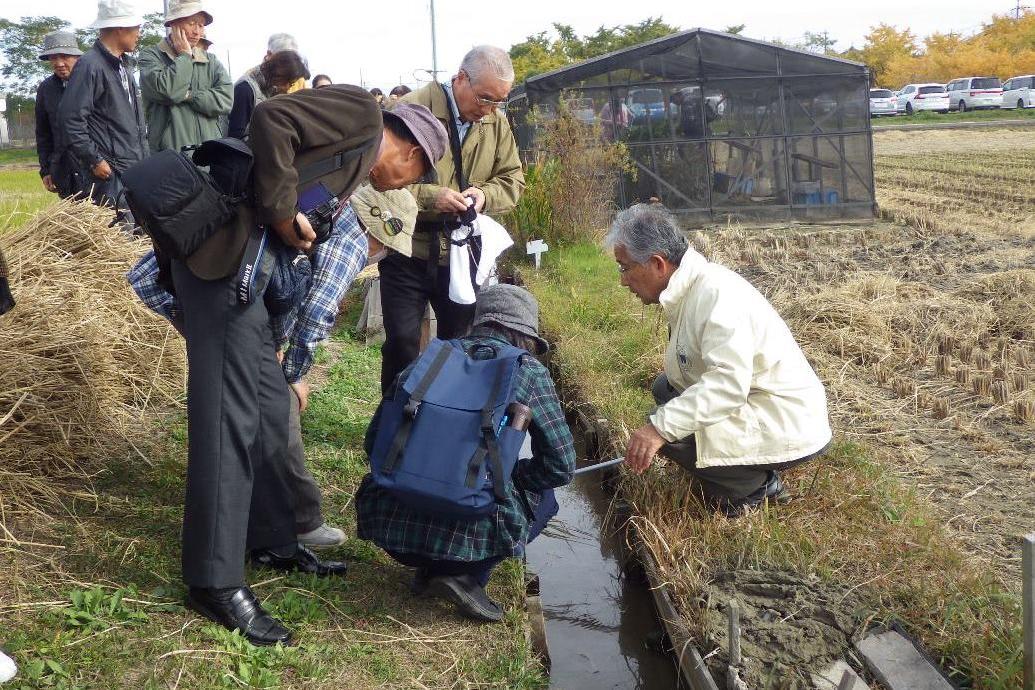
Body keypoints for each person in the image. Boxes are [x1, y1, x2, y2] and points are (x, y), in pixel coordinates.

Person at [171, 86, 443, 646]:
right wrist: (282, 210)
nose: (404, 186)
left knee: (271, 408)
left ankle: (271, 536)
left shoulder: (354, 164)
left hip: (247, 279)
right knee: (229, 425)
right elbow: (271, 117)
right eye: (415, 177)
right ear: (412, 154)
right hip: (220, 270)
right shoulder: (366, 119)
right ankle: (213, 582)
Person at [356, 284, 575, 622]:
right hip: (473, 526)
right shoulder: (528, 371)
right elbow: (560, 465)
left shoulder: (427, 361)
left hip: (390, 527)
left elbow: (374, 443)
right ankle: (465, 574)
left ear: (477, 322)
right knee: (545, 494)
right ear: (525, 335)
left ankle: (430, 567)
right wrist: (508, 474)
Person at [607, 204, 833, 515]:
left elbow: (727, 385)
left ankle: (753, 490)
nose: (622, 281)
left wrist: (659, 429)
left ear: (657, 263)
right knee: (665, 390)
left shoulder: (716, 296)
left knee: (672, 433)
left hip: (788, 418)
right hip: (760, 402)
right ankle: (736, 469)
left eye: (624, 268)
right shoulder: (689, 287)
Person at [382, 45, 524, 393]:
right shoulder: (409, 110)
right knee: (402, 342)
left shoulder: (495, 122)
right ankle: (393, 430)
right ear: (460, 78)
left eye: (499, 101)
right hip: (407, 248)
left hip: (463, 256)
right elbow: (378, 182)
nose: (489, 109)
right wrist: (433, 197)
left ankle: (445, 423)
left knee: (459, 345)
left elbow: (513, 179)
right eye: (485, 98)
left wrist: (484, 195)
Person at [59, 0, 148, 213]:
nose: (139, 33)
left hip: (132, 170)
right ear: (120, 27)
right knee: (121, 236)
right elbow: (70, 119)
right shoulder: (90, 65)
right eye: (136, 27)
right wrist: (94, 160)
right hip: (109, 175)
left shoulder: (123, 65)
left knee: (140, 237)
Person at [137, 0, 232, 153]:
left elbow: (226, 101)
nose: (197, 31)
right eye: (192, 23)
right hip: (171, 158)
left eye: (201, 26)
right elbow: (169, 91)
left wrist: (189, 95)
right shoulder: (151, 56)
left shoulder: (211, 60)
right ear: (173, 24)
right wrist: (185, 56)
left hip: (209, 157)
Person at [228, 34, 306, 139]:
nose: (288, 87)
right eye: (288, 82)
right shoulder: (245, 89)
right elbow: (235, 137)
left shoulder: (273, 88)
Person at [35, 30, 83, 198]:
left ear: (76, 57)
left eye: (64, 56)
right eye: (53, 58)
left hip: (97, 170)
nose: (59, 63)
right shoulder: (46, 89)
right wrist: (46, 170)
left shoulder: (91, 81)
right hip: (64, 172)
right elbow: (43, 134)